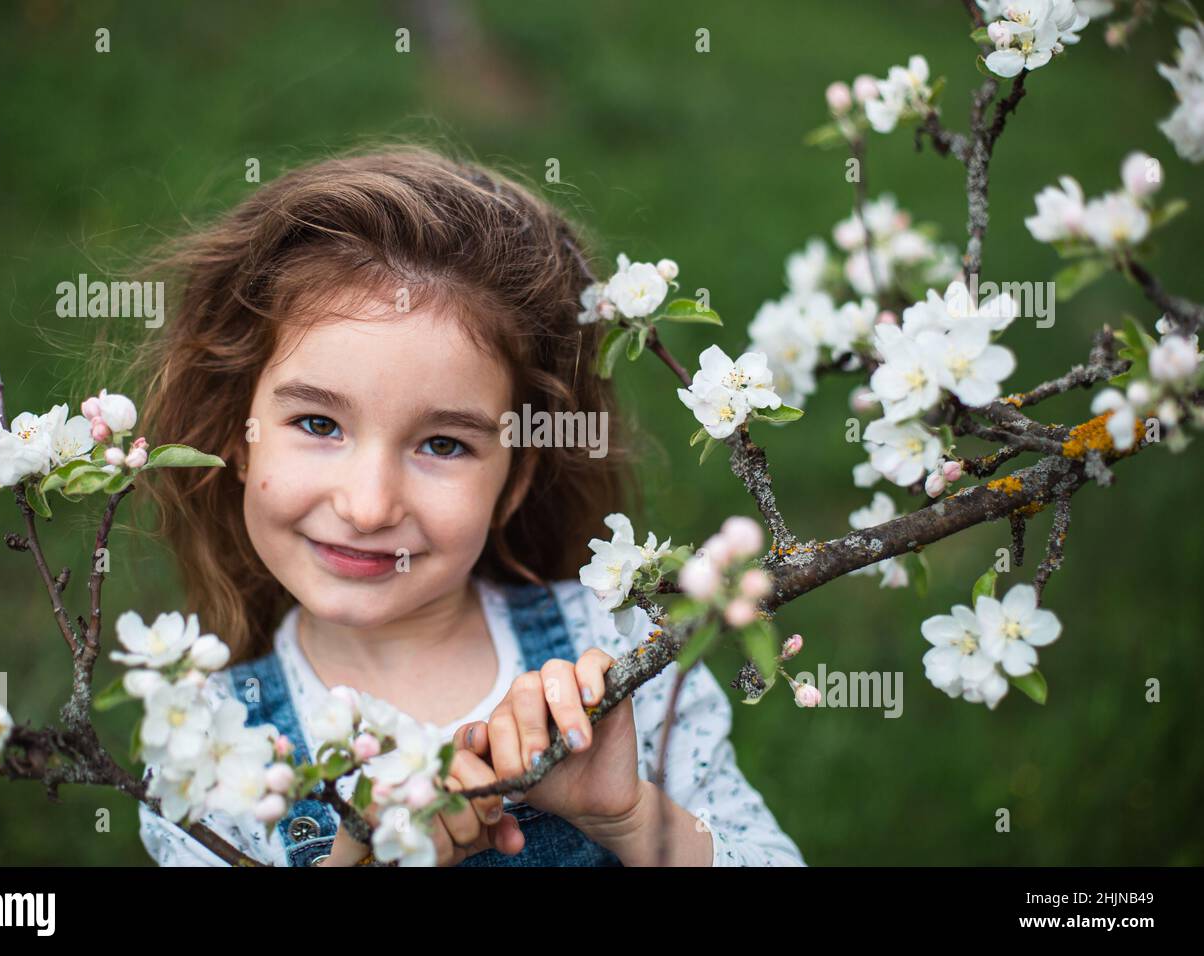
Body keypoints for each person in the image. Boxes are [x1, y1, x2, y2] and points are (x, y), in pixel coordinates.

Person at [130, 145, 806, 867]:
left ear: (513, 478)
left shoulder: (618, 652)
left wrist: (630, 818)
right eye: (320, 425)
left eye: (444, 445)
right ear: (241, 437)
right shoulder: (206, 749)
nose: (367, 507)